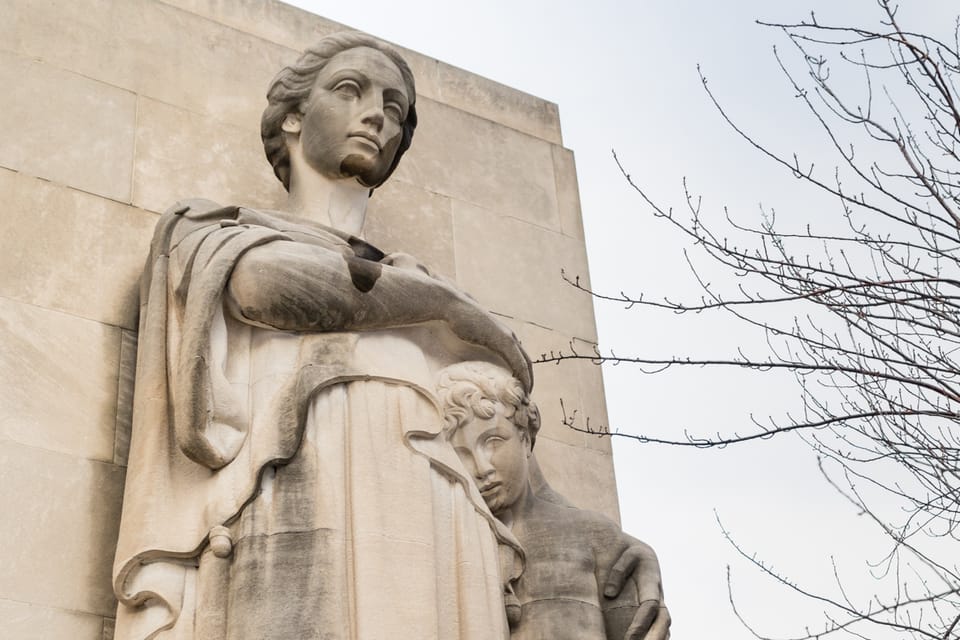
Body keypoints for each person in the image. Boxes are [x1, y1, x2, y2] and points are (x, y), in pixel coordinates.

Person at [112, 32, 531, 639]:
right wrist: (445, 306)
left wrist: (602, 549)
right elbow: (270, 288)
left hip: (431, 538)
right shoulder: (214, 235)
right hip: (291, 507)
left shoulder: (417, 281)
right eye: (350, 90)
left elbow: (518, 468)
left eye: (394, 109)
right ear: (291, 116)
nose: (375, 116)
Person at [437, 361, 672, 640]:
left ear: (525, 439)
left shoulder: (593, 535)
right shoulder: (446, 543)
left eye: (493, 441)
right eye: (461, 454)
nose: (481, 466)